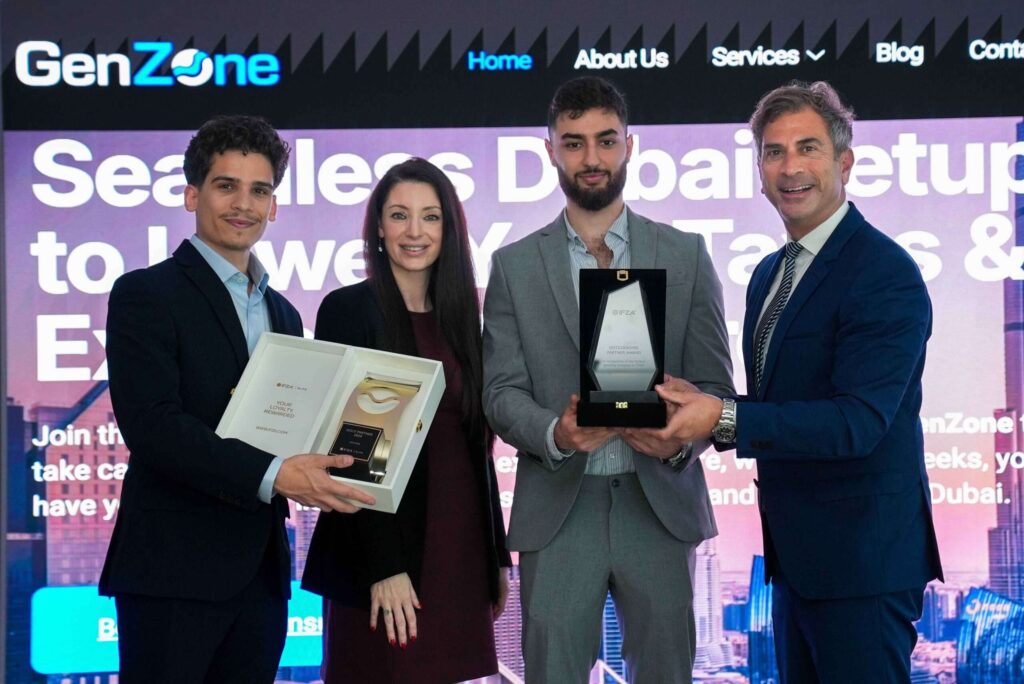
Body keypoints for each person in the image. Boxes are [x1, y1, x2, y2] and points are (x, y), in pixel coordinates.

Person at [654, 81, 944, 682]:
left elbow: (856, 422)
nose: (790, 168)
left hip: (863, 567)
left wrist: (722, 417)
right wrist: (696, 410)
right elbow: (781, 407)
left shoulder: (883, 271)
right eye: (774, 152)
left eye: (807, 148)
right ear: (760, 172)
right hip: (796, 562)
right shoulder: (769, 273)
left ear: (844, 162)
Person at [99, 114, 375, 683]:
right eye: (226, 186)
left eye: (260, 190)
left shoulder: (284, 313)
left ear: (273, 206)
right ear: (192, 195)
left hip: (261, 576)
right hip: (172, 571)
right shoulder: (145, 294)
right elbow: (153, 427)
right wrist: (277, 474)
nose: (243, 204)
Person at [482, 76, 734, 682]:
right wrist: (557, 433)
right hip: (559, 511)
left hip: (659, 507)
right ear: (550, 151)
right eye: (573, 143)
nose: (591, 157)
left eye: (605, 140)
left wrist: (679, 442)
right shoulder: (514, 266)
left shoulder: (686, 254)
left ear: (629, 145)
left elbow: (716, 390)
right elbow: (500, 393)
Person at [302, 157, 512, 684]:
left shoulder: (463, 318)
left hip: (460, 546)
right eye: (399, 215)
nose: (415, 231)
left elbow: (477, 448)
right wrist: (384, 567)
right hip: (382, 551)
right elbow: (349, 456)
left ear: (450, 228)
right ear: (378, 226)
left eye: (430, 216)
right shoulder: (350, 310)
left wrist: (496, 557)